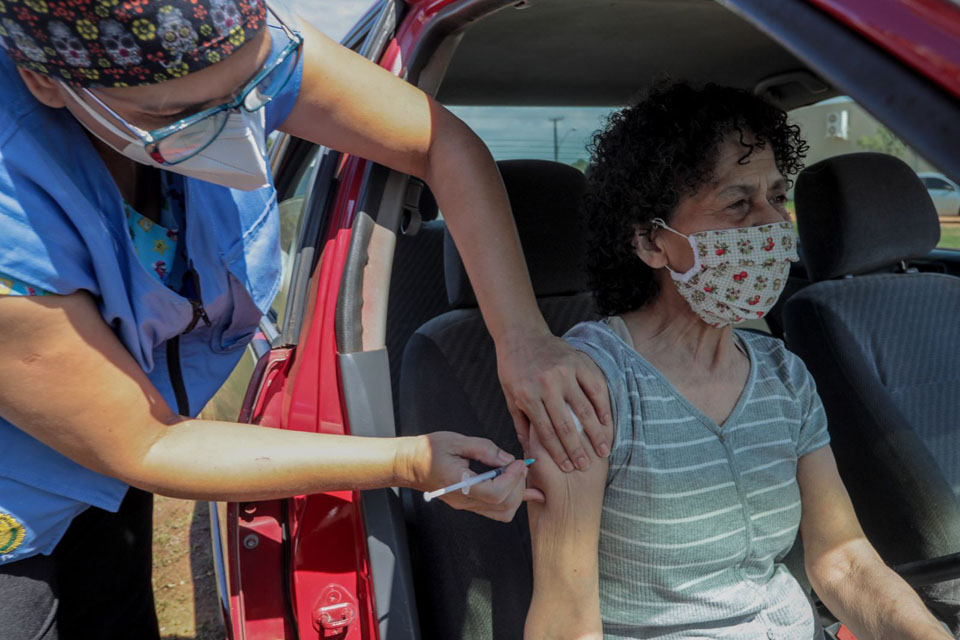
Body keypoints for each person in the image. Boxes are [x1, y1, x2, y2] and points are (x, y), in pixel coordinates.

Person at [0, 1, 614, 637]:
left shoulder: (223, 34)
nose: (243, 132)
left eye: (255, 89)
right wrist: (409, 462)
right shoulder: (7, 212)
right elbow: (146, 442)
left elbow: (439, 142)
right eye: (177, 116)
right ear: (46, 80)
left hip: (105, 484)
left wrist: (521, 337)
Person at [522, 83, 953, 640]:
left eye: (777, 197)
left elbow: (844, 560)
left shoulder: (783, 374)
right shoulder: (587, 381)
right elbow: (564, 619)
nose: (772, 225)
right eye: (737, 204)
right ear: (653, 243)